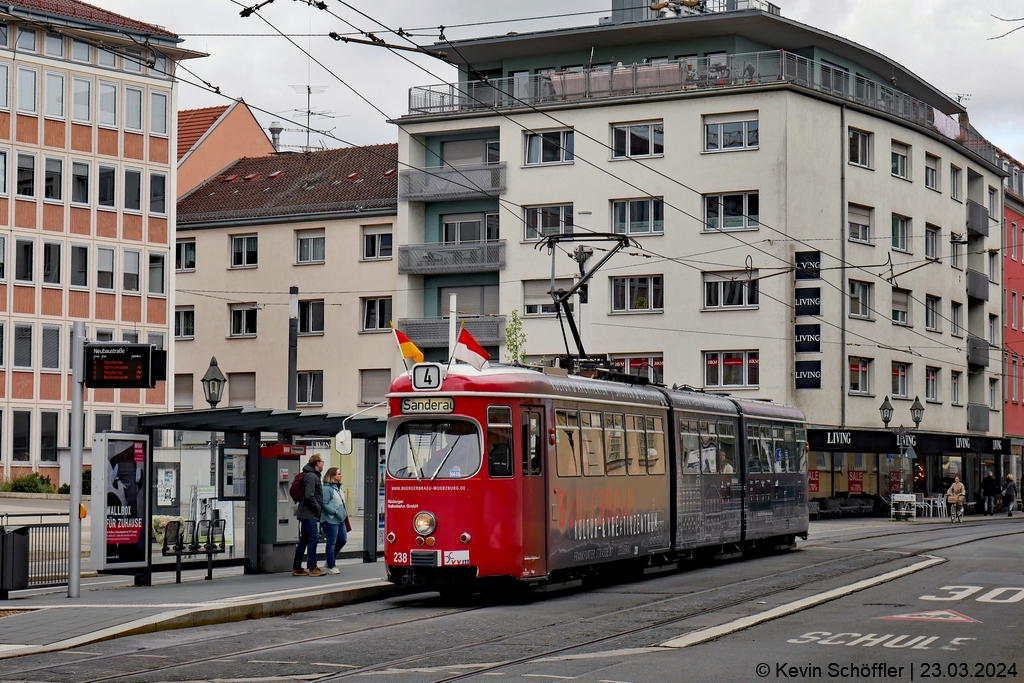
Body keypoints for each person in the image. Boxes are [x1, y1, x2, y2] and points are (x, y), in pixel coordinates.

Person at [293, 454, 325, 577]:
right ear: (317, 463)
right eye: (322, 462)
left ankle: (297, 567)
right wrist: (317, 508)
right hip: (309, 513)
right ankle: (312, 567)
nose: (323, 464)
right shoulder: (312, 476)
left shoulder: (310, 475)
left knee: (304, 540)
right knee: (313, 539)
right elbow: (309, 495)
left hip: (306, 512)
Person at [320, 467, 348, 575]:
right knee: (331, 542)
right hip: (331, 520)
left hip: (340, 519)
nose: (341, 476)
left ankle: (330, 560)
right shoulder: (327, 489)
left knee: (342, 540)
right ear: (332, 476)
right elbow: (324, 503)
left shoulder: (338, 488)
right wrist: (335, 512)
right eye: (339, 474)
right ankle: (332, 565)